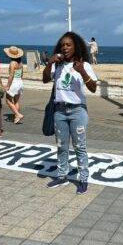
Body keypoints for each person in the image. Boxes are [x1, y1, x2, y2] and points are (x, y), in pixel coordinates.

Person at [43, 31, 98, 195]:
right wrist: (49, 63)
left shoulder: (84, 65)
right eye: (62, 45)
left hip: (77, 111)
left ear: (76, 47)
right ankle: (62, 176)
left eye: (68, 45)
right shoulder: (58, 65)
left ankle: (83, 179)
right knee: (61, 146)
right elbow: (45, 80)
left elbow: (93, 88)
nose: (65, 48)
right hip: (59, 111)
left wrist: (82, 71)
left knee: (79, 147)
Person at [3, 45, 25, 124]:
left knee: (8, 100)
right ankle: (16, 117)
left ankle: (18, 114)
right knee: (16, 100)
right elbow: (21, 74)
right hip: (20, 82)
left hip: (14, 82)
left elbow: (11, 75)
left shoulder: (12, 63)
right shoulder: (21, 63)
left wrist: (8, 86)